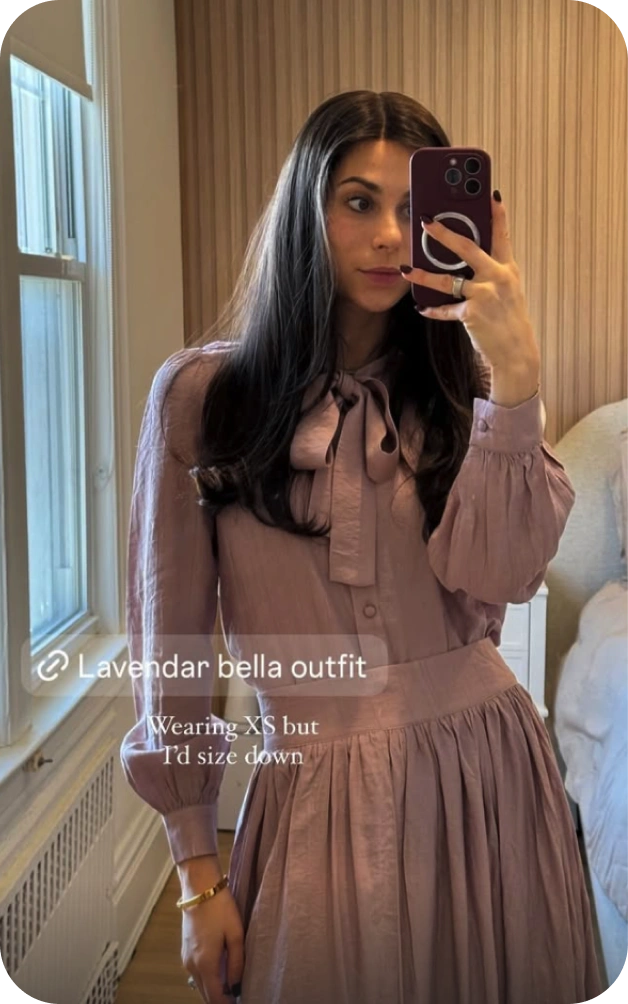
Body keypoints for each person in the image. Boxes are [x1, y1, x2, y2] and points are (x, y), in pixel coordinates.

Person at [120, 90, 603, 1004]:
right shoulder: (203, 399)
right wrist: (196, 875)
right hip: (318, 796)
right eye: (358, 202)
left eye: (415, 209)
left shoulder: (469, 393)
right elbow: (169, 647)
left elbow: (506, 576)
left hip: (488, 780)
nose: (389, 235)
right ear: (308, 213)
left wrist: (518, 379)